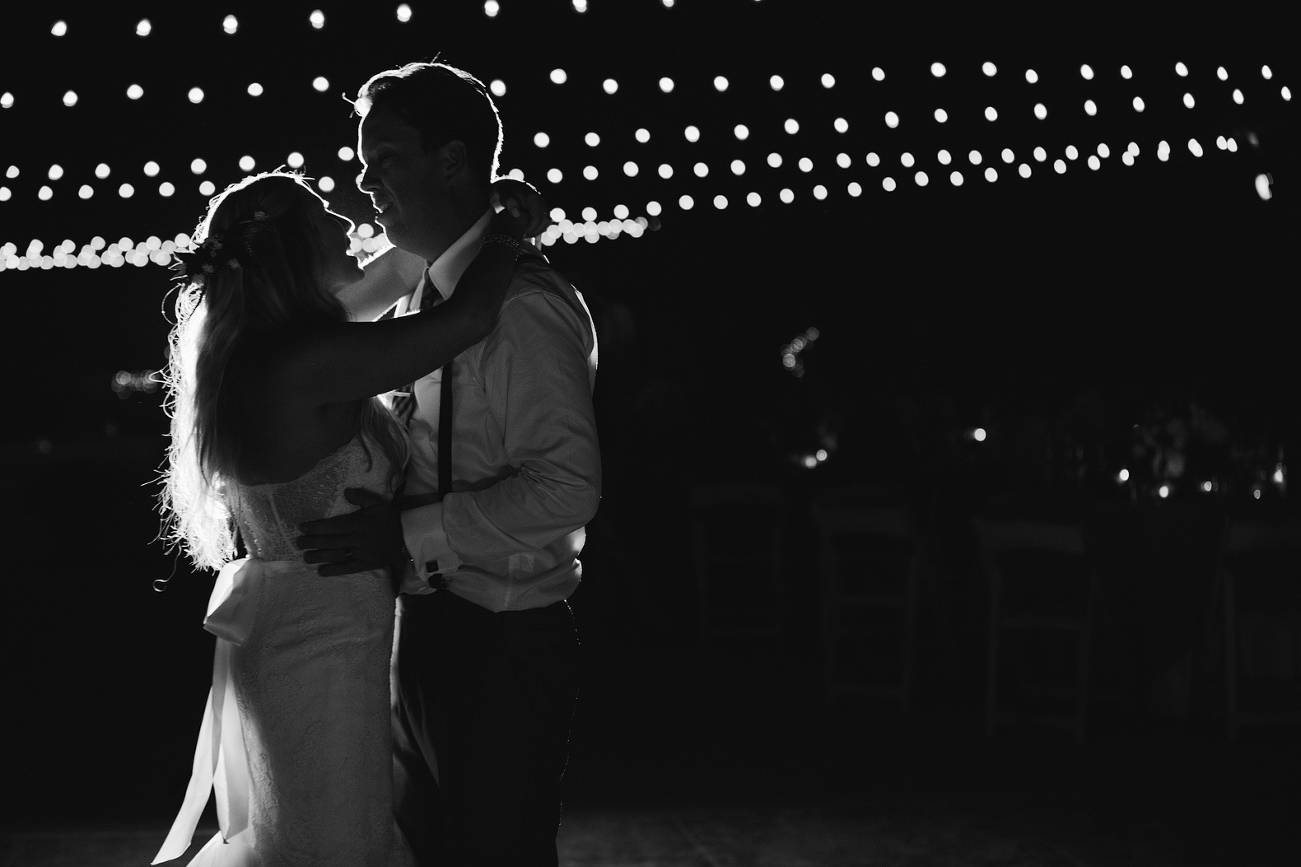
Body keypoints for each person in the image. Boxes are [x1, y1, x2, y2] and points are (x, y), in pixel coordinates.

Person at [152, 170, 543, 866]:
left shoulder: (280, 343)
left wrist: (469, 207)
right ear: (298, 249)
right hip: (317, 644)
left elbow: (397, 266)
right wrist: (508, 234)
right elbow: (465, 321)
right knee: (339, 846)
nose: (346, 220)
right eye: (324, 214)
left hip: (319, 626)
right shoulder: (303, 360)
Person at [296, 62, 601, 867]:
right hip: (421, 625)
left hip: (503, 638)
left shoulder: (525, 307)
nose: (363, 183)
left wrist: (405, 534)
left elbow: (569, 486)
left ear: (454, 161)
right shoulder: (418, 300)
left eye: (384, 158)